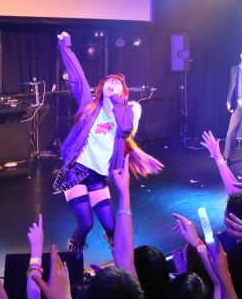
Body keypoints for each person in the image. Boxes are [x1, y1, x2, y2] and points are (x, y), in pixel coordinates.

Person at [55, 31, 162, 253]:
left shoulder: (131, 109)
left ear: (124, 91)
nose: (112, 83)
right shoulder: (89, 105)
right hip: (76, 172)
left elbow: (125, 127)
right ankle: (72, 262)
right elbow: (77, 77)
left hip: (98, 177)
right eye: (108, 81)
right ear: (101, 87)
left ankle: (122, 262)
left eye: (117, 83)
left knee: (111, 227)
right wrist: (65, 46)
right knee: (85, 223)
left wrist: (116, 100)